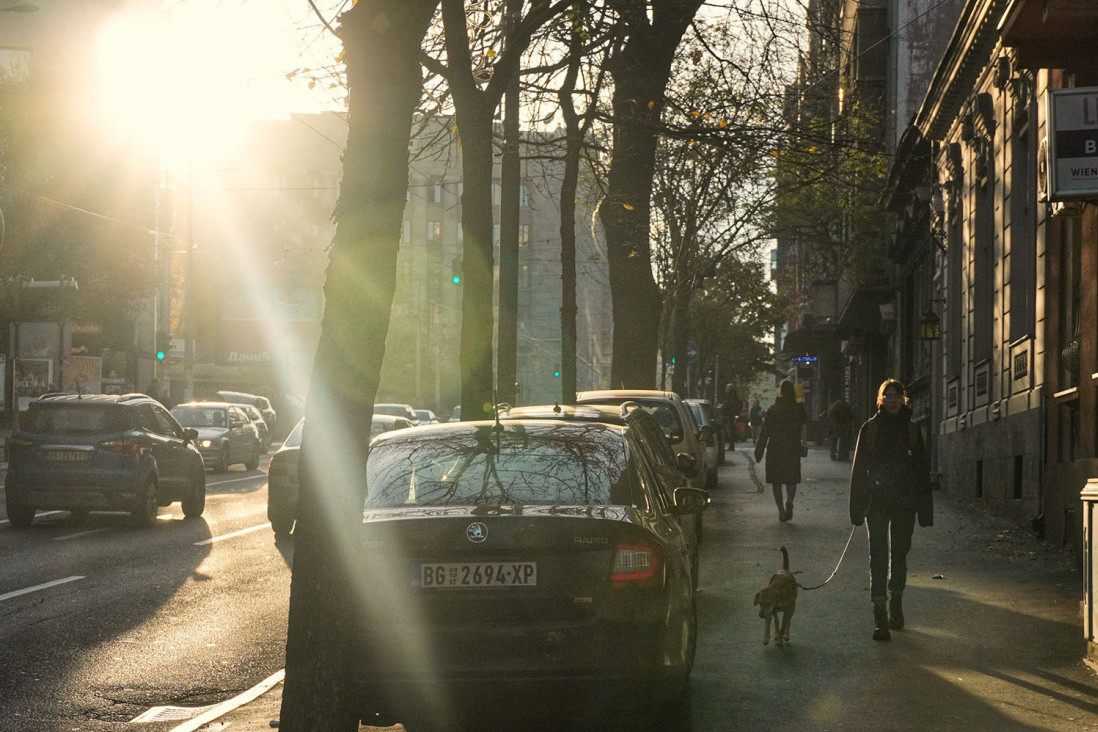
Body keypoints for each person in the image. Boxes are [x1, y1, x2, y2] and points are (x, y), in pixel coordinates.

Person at [849, 378, 933, 641]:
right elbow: (858, 470)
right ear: (880, 400)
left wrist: (925, 510)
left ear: (903, 399)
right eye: (888, 395)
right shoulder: (869, 429)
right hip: (876, 502)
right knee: (877, 556)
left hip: (904, 503)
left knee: (899, 554)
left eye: (897, 395)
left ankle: (896, 604)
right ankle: (880, 616)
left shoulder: (912, 430)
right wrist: (856, 508)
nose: (893, 399)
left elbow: (922, 471)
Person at [754, 380, 807, 522]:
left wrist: (759, 451)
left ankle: (781, 511)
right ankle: (789, 500)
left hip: (775, 449)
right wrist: (804, 443)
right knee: (791, 479)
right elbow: (803, 428)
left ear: (781, 392)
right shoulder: (798, 409)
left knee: (776, 482)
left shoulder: (773, 410)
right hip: (793, 448)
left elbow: (764, 433)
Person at [827, 397, 855, 461]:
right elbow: (852, 415)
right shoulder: (846, 407)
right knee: (845, 441)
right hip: (844, 426)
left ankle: (833, 455)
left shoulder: (833, 407)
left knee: (833, 441)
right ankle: (843, 455)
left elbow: (829, 416)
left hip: (834, 426)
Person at [720, 384, 741, 449]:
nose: (726, 389)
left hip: (729, 415)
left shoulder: (731, 396)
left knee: (730, 430)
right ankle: (731, 445)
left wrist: (724, 407)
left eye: (727, 387)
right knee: (729, 430)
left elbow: (731, 405)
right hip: (729, 415)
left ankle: (731, 446)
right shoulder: (732, 396)